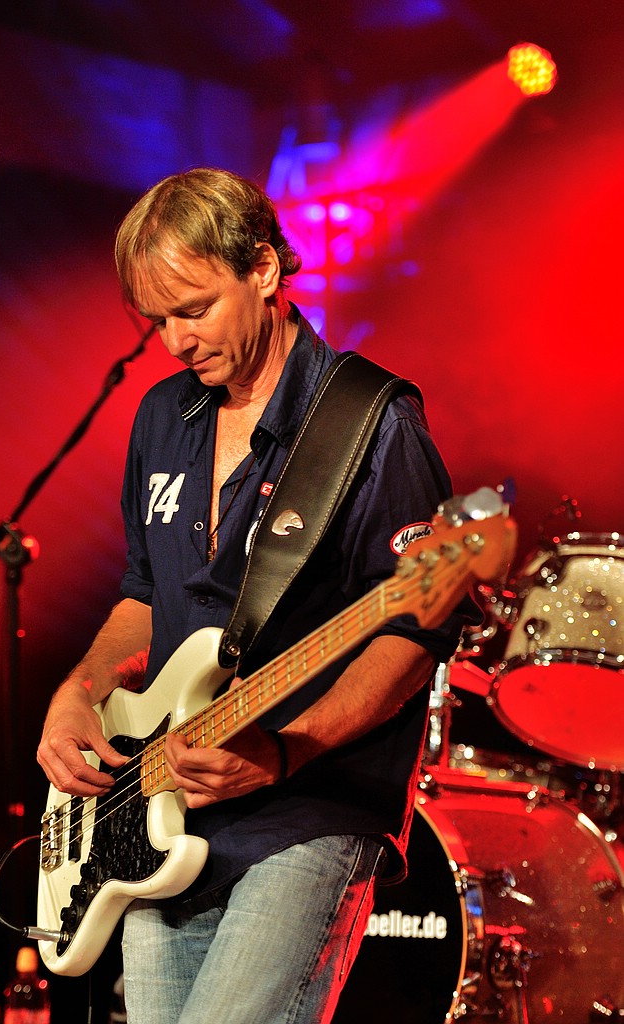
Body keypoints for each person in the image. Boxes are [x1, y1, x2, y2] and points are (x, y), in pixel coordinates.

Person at [36, 167, 479, 1023]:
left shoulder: (371, 423)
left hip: (308, 809)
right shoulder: (162, 416)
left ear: (265, 270)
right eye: (157, 320)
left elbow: (415, 629)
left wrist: (287, 750)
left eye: (194, 309)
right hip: (160, 807)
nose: (174, 341)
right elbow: (145, 592)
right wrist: (80, 690)